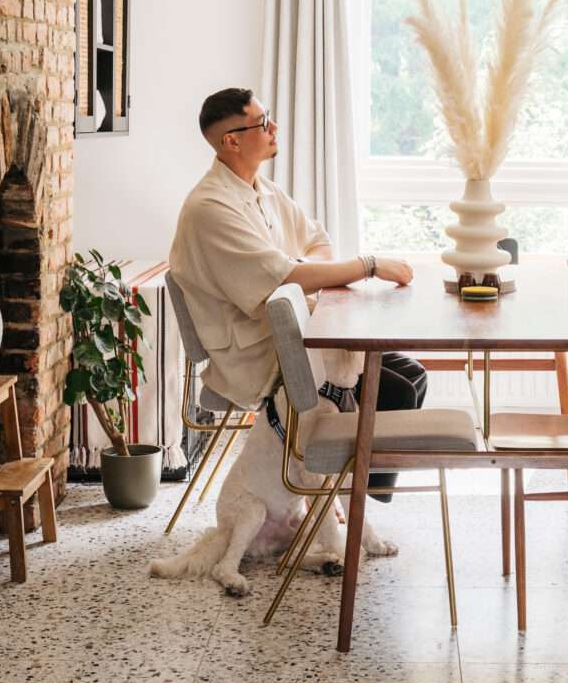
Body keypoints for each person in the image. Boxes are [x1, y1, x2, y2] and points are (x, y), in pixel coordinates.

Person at [168, 88, 427, 499]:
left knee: (410, 372)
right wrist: (370, 265)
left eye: (268, 117)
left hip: (294, 330)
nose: (274, 128)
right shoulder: (211, 208)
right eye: (261, 122)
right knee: (397, 389)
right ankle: (348, 498)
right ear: (231, 141)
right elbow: (288, 273)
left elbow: (316, 240)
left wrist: (305, 276)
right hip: (254, 351)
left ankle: (349, 497)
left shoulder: (261, 189)